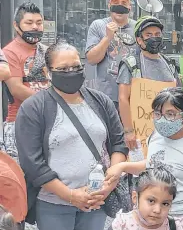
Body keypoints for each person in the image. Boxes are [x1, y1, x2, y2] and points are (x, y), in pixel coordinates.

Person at [15, 42, 129, 230]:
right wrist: (70, 195)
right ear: (47, 71)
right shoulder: (33, 108)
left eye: (76, 67)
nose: (71, 72)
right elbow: (32, 163)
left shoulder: (101, 101)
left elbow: (118, 143)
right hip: (53, 205)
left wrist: (109, 183)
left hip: (96, 201)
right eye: (63, 69)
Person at [105, 87, 183, 230]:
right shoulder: (155, 137)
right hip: (150, 218)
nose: (162, 119)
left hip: (181, 218)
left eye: (170, 114)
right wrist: (122, 166)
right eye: (157, 114)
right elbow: (152, 164)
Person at [117, 16, 181, 150]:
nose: (154, 38)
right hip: (141, 132)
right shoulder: (130, 64)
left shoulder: (170, 65)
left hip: (168, 131)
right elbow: (123, 98)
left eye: (158, 34)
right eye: (149, 35)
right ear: (139, 40)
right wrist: (128, 131)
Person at [2, 2, 50, 163]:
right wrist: (50, 101)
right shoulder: (9, 52)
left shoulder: (47, 50)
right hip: (21, 122)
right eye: (29, 23)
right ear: (16, 26)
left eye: (39, 22)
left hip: (48, 121)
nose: (35, 27)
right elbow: (16, 89)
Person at [85, 0, 137, 110]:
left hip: (133, 94)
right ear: (109, 6)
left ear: (129, 7)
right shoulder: (98, 25)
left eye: (124, 3)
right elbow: (92, 59)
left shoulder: (137, 27)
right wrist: (108, 37)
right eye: (115, 2)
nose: (120, 6)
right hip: (106, 96)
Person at [111, 165, 183, 230]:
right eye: (151, 201)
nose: (157, 210)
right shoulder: (121, 224)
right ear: (135, 198)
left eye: (165, 204)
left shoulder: (173, 226)